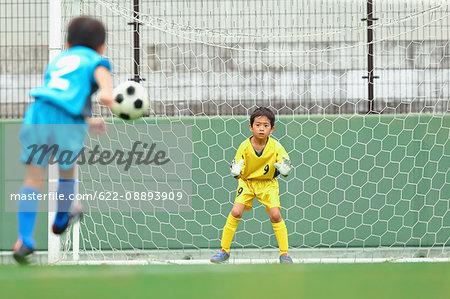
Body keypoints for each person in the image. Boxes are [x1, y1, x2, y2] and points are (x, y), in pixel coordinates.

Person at [13, 16, 115, 264]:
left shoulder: (59, 60)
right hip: (65, 120)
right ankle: (62, 216)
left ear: (68, 43)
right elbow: (105, 95)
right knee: (66, 172)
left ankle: (23, 239)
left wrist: (88, 121)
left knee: (33, 178)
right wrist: (115, 101)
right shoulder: (97, 61)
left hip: (38, 111)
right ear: (102, 46)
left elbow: (59, 97)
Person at [210, 107, 294, 264]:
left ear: (272, 129)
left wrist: (285, 171)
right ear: (250, 127)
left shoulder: (276, 147)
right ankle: (224, 251)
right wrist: (236, 173)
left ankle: (284, 254)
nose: (261, 128)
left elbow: (285, 169)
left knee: (275, 215)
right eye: (258, 124)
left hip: (268, 184)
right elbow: (237, 172)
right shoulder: (244, 146)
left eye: (266, 125)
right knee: (236, 212)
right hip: (247, 183)